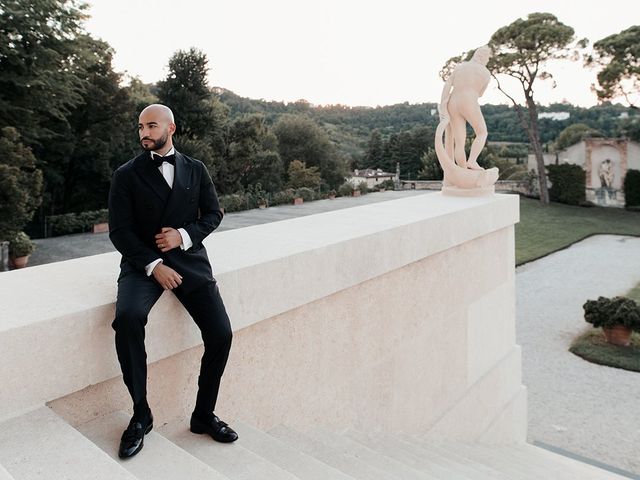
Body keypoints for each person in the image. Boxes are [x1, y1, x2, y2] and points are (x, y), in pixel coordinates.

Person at [108, 104, 237, 459]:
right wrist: (153, 265)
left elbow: (214, 213)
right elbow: (119, 232)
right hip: (142, 264)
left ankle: (203, 415)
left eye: (151, 126)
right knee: (129, 318)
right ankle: (140, 414)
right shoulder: (126, 174)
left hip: (190, 262)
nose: (144, 133)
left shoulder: (196, 169)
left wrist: (183, 235)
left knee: (221, 334)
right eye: (140, 127)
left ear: (171, 128)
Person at [439, 45, 492, 171]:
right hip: (468, 101)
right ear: (482, 56)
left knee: (459, 142)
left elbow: (447, 85)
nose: (488, 61)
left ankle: (462, 171)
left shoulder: (460, 67)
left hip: (452, 101)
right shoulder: (485, 73)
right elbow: (480, 94)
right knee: (482, 132)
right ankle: (472, 161)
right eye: (488, 58)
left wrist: (443, 104)